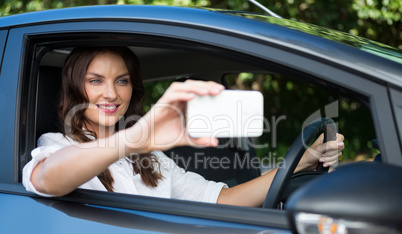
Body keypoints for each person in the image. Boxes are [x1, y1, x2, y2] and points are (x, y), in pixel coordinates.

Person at [23, 46, 344, 207]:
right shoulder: (59, 145)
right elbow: (47, 179)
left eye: (122, 81)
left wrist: (301, 160)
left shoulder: (151, 161)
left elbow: (224, 200)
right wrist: (134, 138)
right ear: (75, 88)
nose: (111, 93)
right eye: (96, 81)